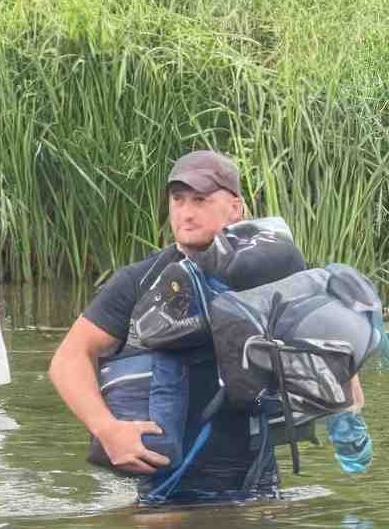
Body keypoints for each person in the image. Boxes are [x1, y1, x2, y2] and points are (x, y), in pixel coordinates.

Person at [49, 149, 325, 502]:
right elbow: (68, 359)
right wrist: (107, 429)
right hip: (165, 490)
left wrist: (348, 414)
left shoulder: (270, 276)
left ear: (235, 208)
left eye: (200, 200)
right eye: (177, 200)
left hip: (257, 487)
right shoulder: (139, 281)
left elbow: (324, 345)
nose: (186, 212)